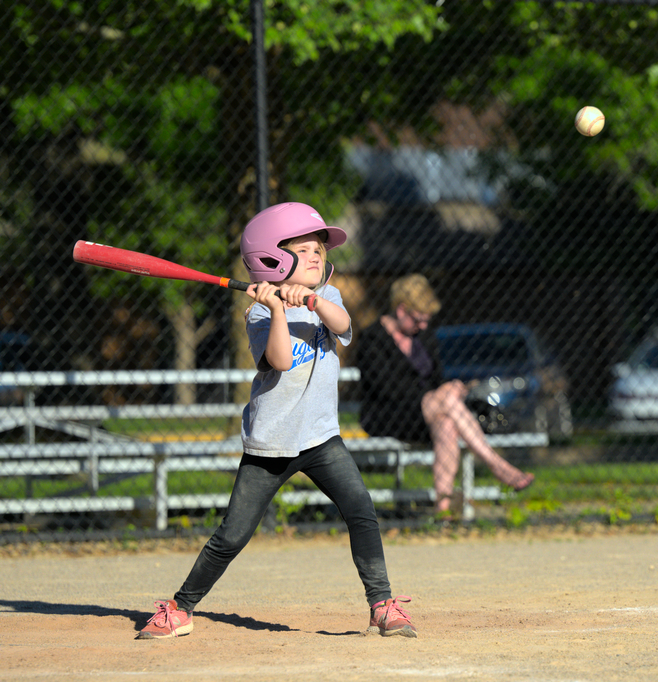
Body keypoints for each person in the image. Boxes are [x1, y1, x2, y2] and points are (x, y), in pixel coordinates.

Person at [136, 202, 416, 640]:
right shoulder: (260, 313)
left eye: (318, 249)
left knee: (361, 510)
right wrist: (280, 308)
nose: (316, 256)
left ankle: (381, 605)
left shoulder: (330, 297)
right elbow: (281, 360)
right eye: (303, 250)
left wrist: (311, 300)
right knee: (232, 535)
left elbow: (344, 324)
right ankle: (180, 608)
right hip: (271, 445)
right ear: (271, 259)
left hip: (321, 438)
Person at [356, 273, 534, 516]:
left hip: (426, 414)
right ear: (401, 309)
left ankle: (443, 508)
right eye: (418, 319)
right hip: (386, 414)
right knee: (445, 401)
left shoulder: (423, 337)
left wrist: (451, 389)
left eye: (426, 320)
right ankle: (497, 465)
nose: (423, 326)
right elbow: (384, 387)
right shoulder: (372, 338)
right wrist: (434, 396)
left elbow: (435, 379)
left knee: (447, 424)